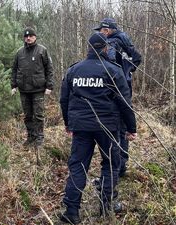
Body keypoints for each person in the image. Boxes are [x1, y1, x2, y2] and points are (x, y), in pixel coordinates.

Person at [58, 32, 137, 224]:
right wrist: (130, 128)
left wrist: (68, 123)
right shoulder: (114, 71)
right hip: (107, 127)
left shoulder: (74, 70)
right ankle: (106, 207)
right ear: (105, 48)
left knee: (78, 166)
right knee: (110, 164)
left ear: (88, 49)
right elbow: (124, 102)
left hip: (82, 127)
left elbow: (64, 99)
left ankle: (71, 211)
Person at [94, 17, 142, 177]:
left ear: (106, 30)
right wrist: (127, 73)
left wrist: (120, 74)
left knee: (116, 128)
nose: (100, 33)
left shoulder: (112, 44)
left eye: (101, 30)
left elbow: (110, 65)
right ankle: (121, 164)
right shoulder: (125, 40)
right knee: (122, 127)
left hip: (114, 90)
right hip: (124, 88)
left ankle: (116, 167)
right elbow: (138, 58)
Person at [11, 27, 54, 148]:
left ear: (35, 37)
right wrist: (13, 85)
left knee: (38, 115)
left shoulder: (42, 50)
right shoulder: (19, 52)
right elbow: (14, 69)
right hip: (24, 90)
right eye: (26, 36)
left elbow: (49, 69)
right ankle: (31, 137)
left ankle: (39, 138)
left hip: (38, 89)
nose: (28, 38)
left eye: (31, 36)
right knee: (27, 115)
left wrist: (49, 86)